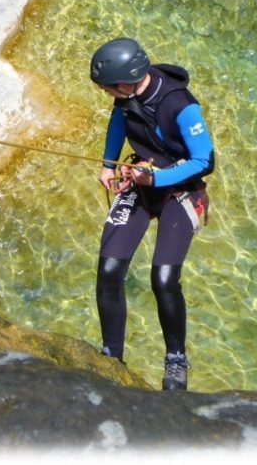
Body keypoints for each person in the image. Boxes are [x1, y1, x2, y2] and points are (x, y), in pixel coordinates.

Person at [90, 37, 215, 390]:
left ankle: (176, 359)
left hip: (180, 190)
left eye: (109, 89)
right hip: (141, 184)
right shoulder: (127, 97)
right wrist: (107, 163)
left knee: (162, 280)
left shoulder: (180, 104)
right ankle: (111, 356)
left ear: (126, 82)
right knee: (109, 270)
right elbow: (120, 120)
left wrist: (157, 177)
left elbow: (205, 160)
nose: (108, 95)